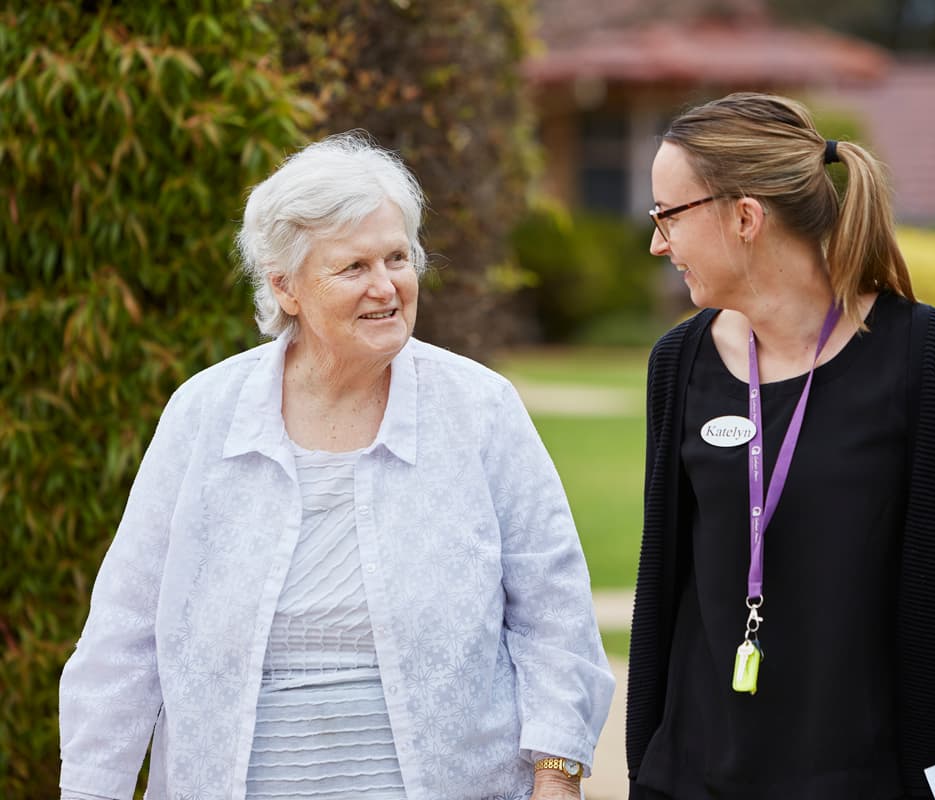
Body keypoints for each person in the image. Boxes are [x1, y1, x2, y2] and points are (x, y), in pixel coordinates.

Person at [59, 133, 614, 800]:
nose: (386, 287)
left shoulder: (479, 410)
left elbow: (554, 612)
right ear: (285, 287)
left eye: (398, 258)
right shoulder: (205, 414)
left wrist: (557, 773)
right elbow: (125, 633)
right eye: (353, 267)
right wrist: (94, 788)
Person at [625, 93, 935, 799]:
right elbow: (663, 588)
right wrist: (645, 770)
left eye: (667, 215)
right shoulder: (678, 363)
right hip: (696, 776)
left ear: (745, 217)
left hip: (869, 779)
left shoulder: (927, 357)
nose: (658, 243)